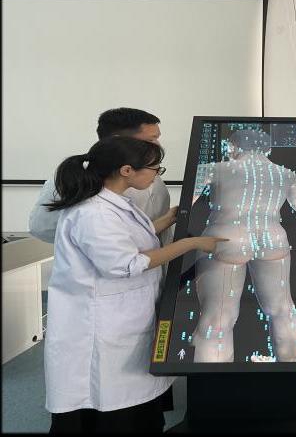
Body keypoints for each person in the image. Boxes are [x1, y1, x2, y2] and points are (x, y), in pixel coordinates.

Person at [44, 136, 227, 433]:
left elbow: (124, 240)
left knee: (134, 404)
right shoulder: (93, 213)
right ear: (127, 170)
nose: (157, 175)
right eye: (155, 169)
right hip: (100, 325)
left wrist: (165, 221)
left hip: (124, 316)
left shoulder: (112, 204)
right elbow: (126, 263)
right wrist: (192, 243)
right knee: (109, 406)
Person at [190, 129, 296, 362]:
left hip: (226, 239)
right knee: (283, 309)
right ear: (268, 149)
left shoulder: (213, 169)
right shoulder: (286, 174)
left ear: (232, 147)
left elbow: (184, 206)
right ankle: (290, 370)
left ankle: (212, 377)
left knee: (218, 317)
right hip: (272, 239)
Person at [29, 107, 173, 275]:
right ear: (118, 141)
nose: (157, 145)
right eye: (151, 139)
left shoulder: (147, 173)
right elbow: (41, 228)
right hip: (109, 279)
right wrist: (111, 243)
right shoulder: (78, 181)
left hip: (151, 275)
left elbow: (145, 230)